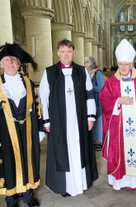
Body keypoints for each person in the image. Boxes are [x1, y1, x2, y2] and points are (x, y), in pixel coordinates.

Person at [0, 43, 43, 207]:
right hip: (4, 133)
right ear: (1, 64)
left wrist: (40, 128)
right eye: (7, 59)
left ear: (19, 63)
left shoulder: (29, 83)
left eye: (14, 59)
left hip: (27, 129)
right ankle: (11, 199)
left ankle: (28, 195)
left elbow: (37, 106)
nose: (10, 62)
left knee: (27, 161)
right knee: (9, 164)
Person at [39, 39, 98, 197]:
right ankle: (64, 186)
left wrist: (90, 116)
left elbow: (89, 94)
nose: (66, 54)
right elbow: (43, 97)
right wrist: (46, 120)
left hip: (79, 120)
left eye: (69, 51)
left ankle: (81, 183)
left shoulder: (81, 71)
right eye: (63, 51)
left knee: (80, 149)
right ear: (58, 53)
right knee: (61, 151)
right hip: (59, 122)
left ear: (74, 53)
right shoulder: (49, 72)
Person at [99, 39, 136, 191]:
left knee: (134, 151)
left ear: (132, 64)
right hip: (118, 127)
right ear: (117, 64)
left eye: (126, 64)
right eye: (121, 64)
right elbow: (104, 99)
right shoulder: (111, 82)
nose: (123, 67)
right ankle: (118, 181)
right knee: (119, 152)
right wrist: (118, 100)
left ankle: (134, 180)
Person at [84, 56, 104, 151]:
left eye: (85, 62)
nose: (84, 64)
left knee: (98, 122)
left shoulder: (98, 73)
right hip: (91, 102)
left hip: (98, 102)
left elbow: (101, 88)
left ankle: (99, 142)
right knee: (93, 122)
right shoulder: (88, 74)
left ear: (90, 63)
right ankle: (94, 142)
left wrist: (89, 88)